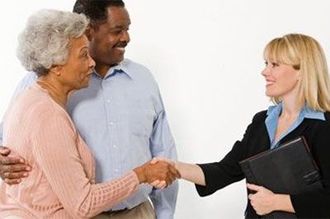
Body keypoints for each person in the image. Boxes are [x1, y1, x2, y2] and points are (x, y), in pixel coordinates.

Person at [0, 0, 179, 218]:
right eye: (117, 30)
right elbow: (10, 143)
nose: (126, 38)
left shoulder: (143, 80)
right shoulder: (40, 88)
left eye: (127, 29)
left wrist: (164, 214)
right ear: (89, 31)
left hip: (137, 211)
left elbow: (164, 153)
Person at [157, 33, 330, 218]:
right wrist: (174, 167)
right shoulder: (262, 122)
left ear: (302, 71)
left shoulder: (323, 127)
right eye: (266, 64)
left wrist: (277, 202)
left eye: (275, 65)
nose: (265, 72)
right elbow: (225, 171)